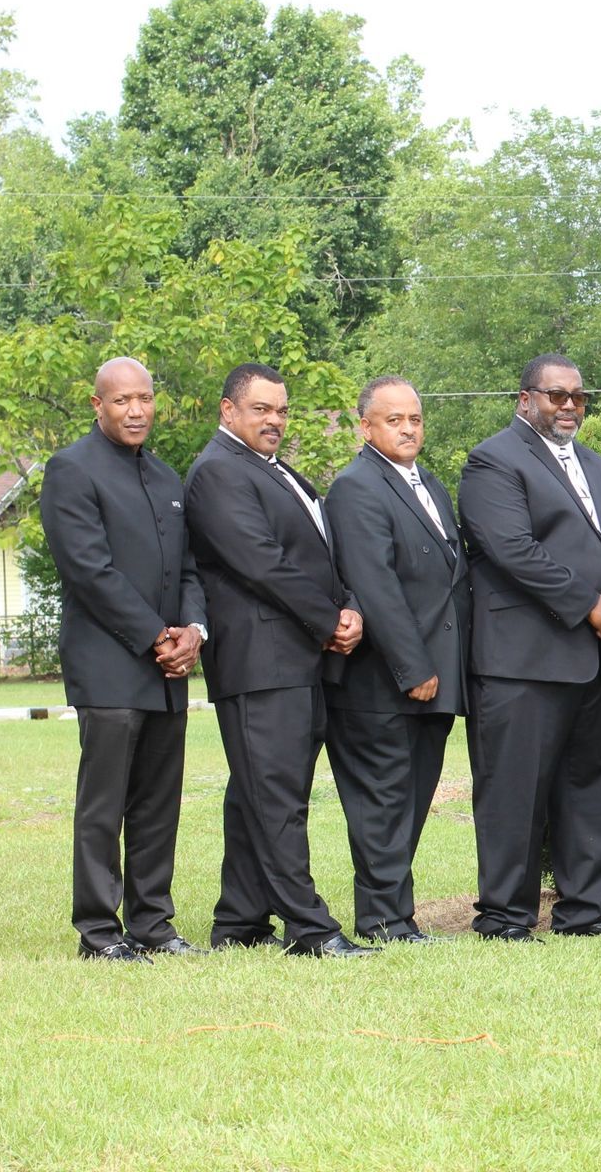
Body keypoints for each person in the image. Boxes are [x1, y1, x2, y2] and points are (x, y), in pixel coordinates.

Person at [459, 354, 601, 941]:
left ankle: (588, 914)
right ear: (525, 400)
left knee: (591, 791)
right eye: (555, 395)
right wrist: (592, 604)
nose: (568, 406)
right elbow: (513, 549)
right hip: (525, 660)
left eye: (577, 397)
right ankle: (506, 917)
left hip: (596, 659)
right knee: (515, 794)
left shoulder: (600, 467)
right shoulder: (494, 460)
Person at [185, 363, 370, 957]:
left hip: (295, 659)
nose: (274, 421)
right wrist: (328, 619)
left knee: (256, 794)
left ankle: (238, 922)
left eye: (282, 410)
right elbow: (260, 561)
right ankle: (311, 929)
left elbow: (315, 552)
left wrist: (347, 606)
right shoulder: (217, 473)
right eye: (261, 409)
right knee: (278, 798)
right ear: (228, 411)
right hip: (260, 663)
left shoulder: (276, 471)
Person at [39, 358, 209, 964]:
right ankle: (99, 931)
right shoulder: (70, 470)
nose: (135, 411)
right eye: (121, 401)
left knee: (159, 803)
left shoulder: (166, 477)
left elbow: (189, 568)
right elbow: (88, 570)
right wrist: (153, 636)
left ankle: (153, 924)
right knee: (104, 804)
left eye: (144, 399)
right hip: (110, 665)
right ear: (97, 405)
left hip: (168, 672)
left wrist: (192, 630)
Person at [323, 377, 471, 945]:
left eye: (415, 418)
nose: (408, 429)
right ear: (365, 427)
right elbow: (376, 587)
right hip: (382, 683)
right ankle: (385, 919)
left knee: (412, 799)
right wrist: (415, 669)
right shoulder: (357, 487)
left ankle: (393, 913)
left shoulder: (427, 482)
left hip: (435, 675)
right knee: (383, 801)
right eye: (394, 420)